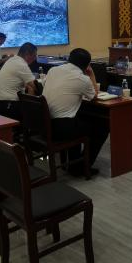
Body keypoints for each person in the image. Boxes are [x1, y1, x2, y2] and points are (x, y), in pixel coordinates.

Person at [42, 48, 108, 176]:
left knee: (77, 120)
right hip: (62, 128)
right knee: (101, 129)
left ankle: (74, 164)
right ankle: (82, 167)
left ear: (69, 59)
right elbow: (94, 96)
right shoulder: (82, 79)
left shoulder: (53, 70)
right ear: (87, 65)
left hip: (45, 123)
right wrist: (91, 75)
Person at [0, 42, 38, 120]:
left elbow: (28, 84)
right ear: (27, 54)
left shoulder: (12, 60)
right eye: (34, 56)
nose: (35, 59)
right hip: (9, 105)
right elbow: (35, 86)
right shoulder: (21, 64)